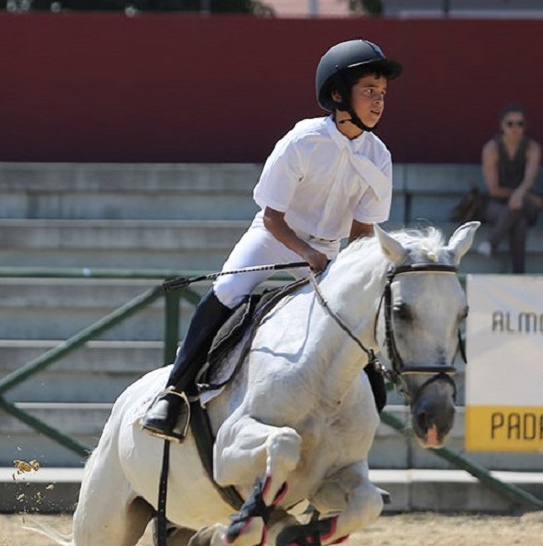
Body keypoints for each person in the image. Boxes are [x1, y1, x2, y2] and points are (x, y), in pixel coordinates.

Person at [141, 39, 403, 442]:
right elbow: (272, 217)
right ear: (338, 94)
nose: (379, 101)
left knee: (355, 314)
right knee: (228, 289)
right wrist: (306, 252)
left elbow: (364, 232)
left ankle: (365, 398)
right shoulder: (302, 141)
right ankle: (174, 392)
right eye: (369, 90)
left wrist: (346, 267)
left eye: (383, 93)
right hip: (276, 239)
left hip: (329, 252)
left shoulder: (380, 156)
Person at [474, 103, 543, 273]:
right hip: (497, 203)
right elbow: (493, 189)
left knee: (518, 209)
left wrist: (520, 196)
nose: (515, 128)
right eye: (510, 124)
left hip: (525, 200)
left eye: (520, 124)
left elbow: (529, 180)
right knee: (518, 219)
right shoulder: (491, 149)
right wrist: (517, 196)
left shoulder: (532, 148)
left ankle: (492, 243)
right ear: (502, 125)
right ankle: (519, 273)